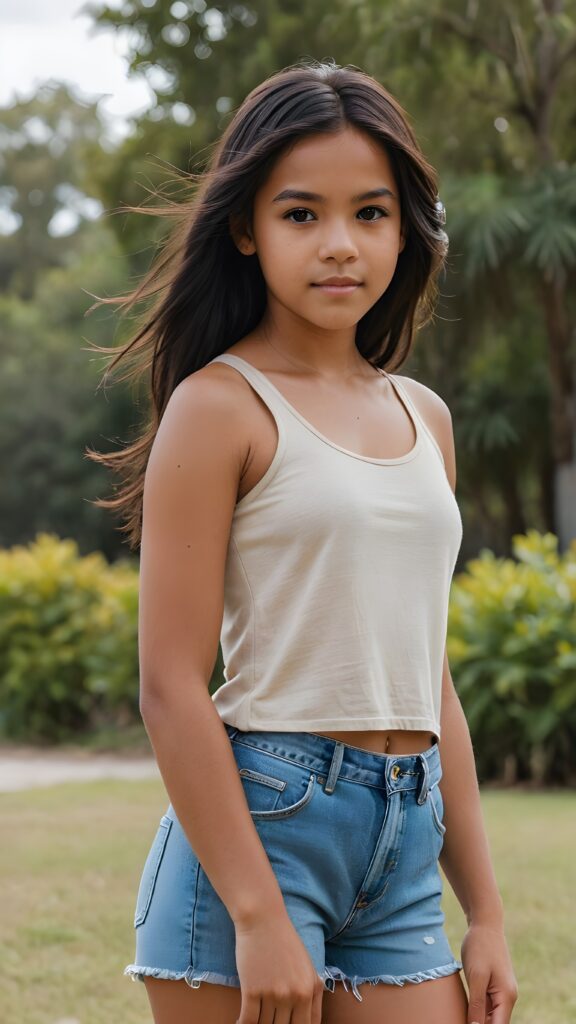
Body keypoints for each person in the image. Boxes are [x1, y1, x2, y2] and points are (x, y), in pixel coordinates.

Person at [87, 59, 518, 1024]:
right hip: (259, 830)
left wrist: (484, 911)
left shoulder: (426, 417)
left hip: (406, 841)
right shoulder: (220, 406)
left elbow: (428, 675)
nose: (340, 245)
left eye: (370, 213)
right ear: (246, 229)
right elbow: (169, 682)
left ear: (405, 229)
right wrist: (256, 911)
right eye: (300, 214)